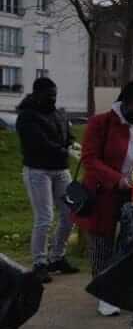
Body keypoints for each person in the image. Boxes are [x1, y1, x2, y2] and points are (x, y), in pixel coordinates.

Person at [75, 81, 133, 318]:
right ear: (126, 104)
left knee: (131, 239)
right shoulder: (100, 123)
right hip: (103, 190)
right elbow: (89, 159)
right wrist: (116, 178)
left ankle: (121, 287)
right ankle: (104, 295)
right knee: (102, 241)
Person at [15, 77, 77, 284]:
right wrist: (63, 150)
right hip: (37, 170)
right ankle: (40, 263)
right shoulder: (26, 117)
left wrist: (70, 144)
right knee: (45, 217)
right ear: (36, 94)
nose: (53, 99)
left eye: (55, 95)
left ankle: (57, 257)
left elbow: (69, 135)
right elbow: (37, 143)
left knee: (70, 213)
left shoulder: (59, 113)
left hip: (60, 170)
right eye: (49, 95)